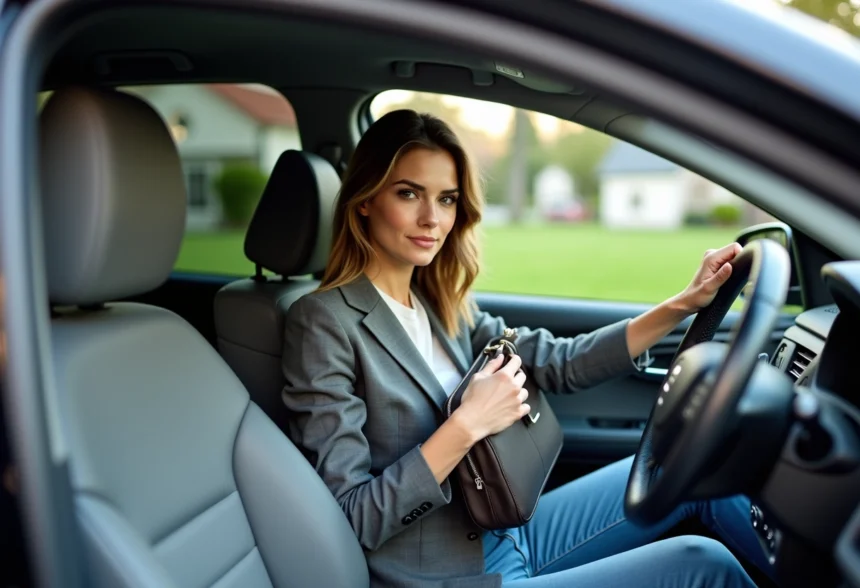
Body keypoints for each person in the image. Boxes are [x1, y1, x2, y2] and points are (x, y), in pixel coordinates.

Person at [281, 109, 770, 588]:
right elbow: (353, 519)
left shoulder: (438, 302)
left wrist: (684, 304)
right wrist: (467, 425)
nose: (432, 218)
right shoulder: (324, 322)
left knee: (694, 468)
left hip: (511, 530)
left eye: (447, 199)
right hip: (447, 574)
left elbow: (561, 362)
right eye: (409, 194)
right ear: (365, 200)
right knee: (702, 564)